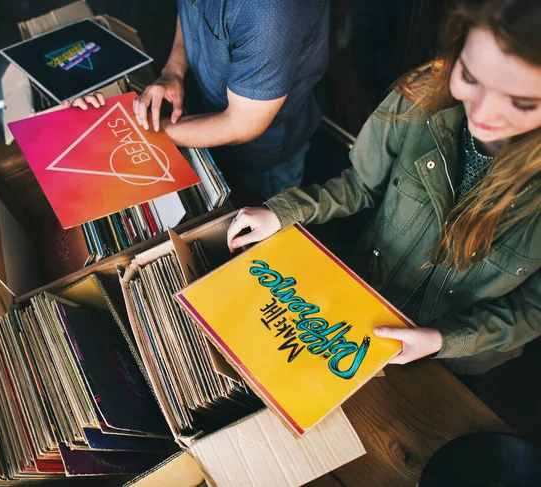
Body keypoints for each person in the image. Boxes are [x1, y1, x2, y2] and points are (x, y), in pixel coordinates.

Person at [226, 0, 541, 375]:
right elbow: (360, 185)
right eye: (470, 78)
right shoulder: (421, 97)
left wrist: (442, 340)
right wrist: (284, 211)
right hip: (360, 312)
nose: (484, 113)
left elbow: (533, 309)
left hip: (452, 366)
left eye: (521, 102)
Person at [130, 1, 330, 199]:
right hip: (211, 120)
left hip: (264, 159)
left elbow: (242, 124)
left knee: (256, 218)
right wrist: (173, 71)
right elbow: (191, 10)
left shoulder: (271, 13)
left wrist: (149, 133)